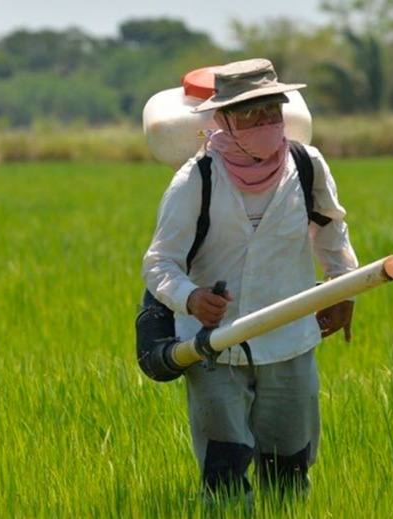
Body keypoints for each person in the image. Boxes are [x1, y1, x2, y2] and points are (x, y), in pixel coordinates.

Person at [141, 58, 358, 505]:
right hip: (215, 346)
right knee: (225, 466)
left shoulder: (306, 164)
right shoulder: (196, 180)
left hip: (291, 337)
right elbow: (159, 263)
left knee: (291, 465)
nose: (264, 122)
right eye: (249, 113)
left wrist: (343, 287)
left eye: (271, 110)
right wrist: (192, 297)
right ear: (223, 119)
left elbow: (331, 227)